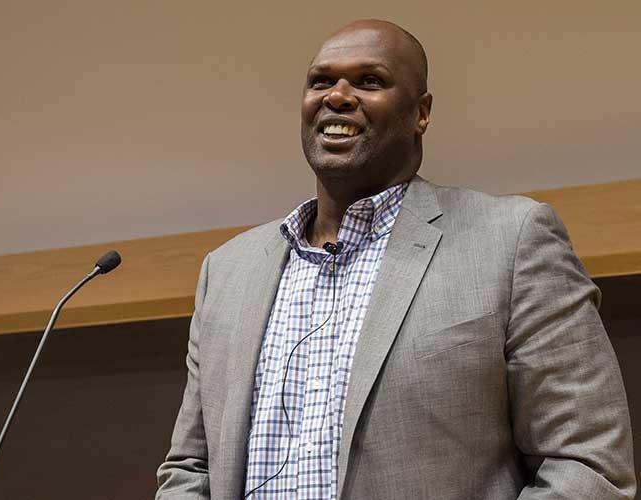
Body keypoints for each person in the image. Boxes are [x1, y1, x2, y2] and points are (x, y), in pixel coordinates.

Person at [156, 19, 636, 500]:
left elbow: (589, 465)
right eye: (321, 80)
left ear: (420, 113)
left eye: (370, 81)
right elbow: (189, 468)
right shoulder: (228, 271)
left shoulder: (510, 241)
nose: (338, 96)